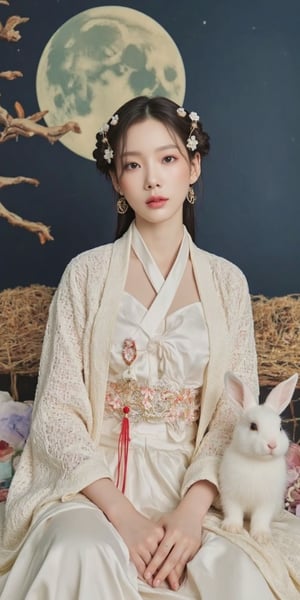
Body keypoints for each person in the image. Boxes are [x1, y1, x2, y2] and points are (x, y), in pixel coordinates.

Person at [0, 95, 299, 599]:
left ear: (193, 166)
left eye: (167, 159)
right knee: (80, 552)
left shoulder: (226, 283)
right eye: (132, 165)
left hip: (196, 488)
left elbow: (232, 416)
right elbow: (55, 413)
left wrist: (189, 512)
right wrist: (123, 517)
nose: (153, 180)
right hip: (94, 486)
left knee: (235, 571)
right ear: (117, 180)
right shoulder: (86, 276)